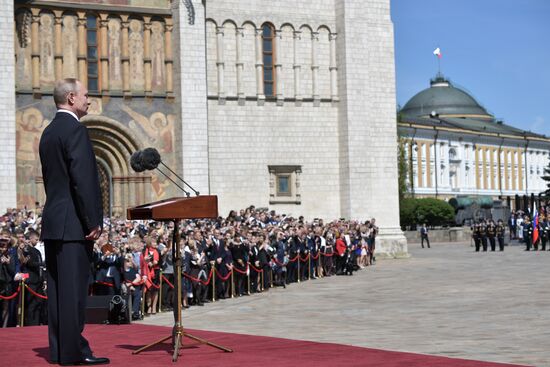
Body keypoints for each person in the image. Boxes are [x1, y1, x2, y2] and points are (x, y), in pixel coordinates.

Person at [39, 78, 109, 365]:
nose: (88, 100)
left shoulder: (49, 132)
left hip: (55, 222)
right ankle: (73, 352)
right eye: (85, 95)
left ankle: (59, 349)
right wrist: (93, 220)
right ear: (70, 98)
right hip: (73, 226)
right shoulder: (75, 130)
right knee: (74, 293)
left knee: (57, 293)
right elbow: (83, 181)